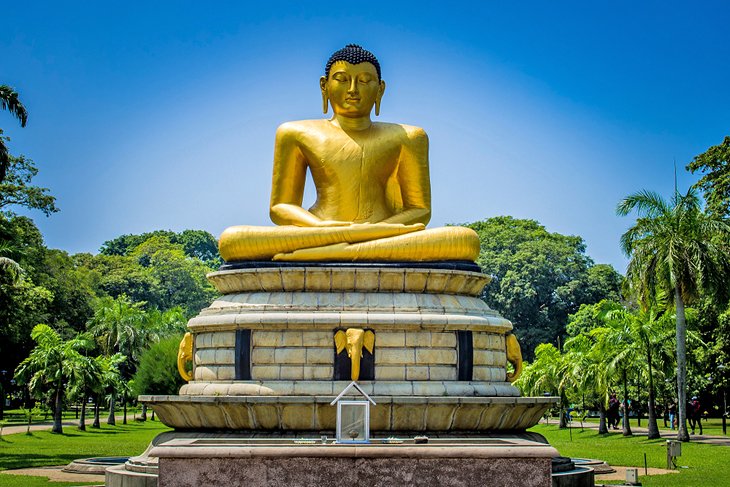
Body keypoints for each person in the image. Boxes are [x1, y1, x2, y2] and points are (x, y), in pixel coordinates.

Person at [218, 44, 480, 263]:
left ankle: (328, 251)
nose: (353, 89)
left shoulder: (409, 137)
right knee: (232, 240)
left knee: (464, 240)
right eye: (342, 79)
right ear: (324, 86)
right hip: (318, 230)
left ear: (380, 89)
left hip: (385, 233)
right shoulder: (294, 132)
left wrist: (371, 231)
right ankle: (342, 247)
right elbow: (280, 207)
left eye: (365, 81)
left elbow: (419, 210)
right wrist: (323, 229)